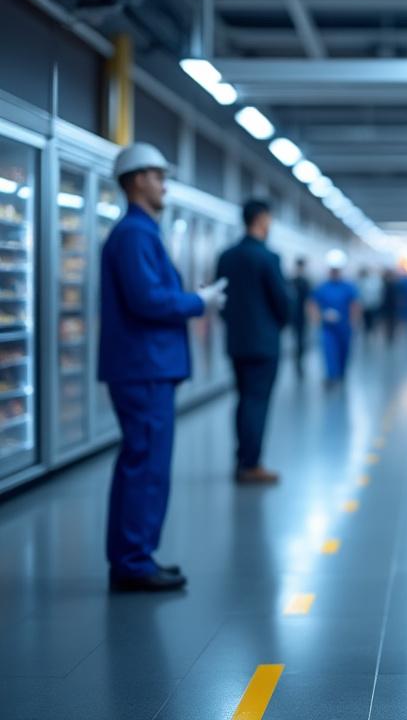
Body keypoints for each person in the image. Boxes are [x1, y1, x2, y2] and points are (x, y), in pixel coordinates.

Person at [99, 142, 227, 593]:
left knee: (142, 462)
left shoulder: (141, 232)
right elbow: (146, 299)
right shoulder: (135, 234)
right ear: (136, 180)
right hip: (144, 367)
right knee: (146, 465)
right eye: (156, 175)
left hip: (146, 366)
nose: (163, 183)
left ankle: (134, 556)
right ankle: (133, 562)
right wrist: (199, 301)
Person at [215, 199, 291, 485]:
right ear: (261, 219)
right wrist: (279, 325)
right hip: (264, 343)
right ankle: (252, 464)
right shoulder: (268, 257)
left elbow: (219, 298)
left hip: (236, 341)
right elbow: (282, 301)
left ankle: (241, 458)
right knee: (257, 402)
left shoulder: (226, 256)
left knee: (243, 399)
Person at [313, 254, 360, 386]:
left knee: (343, 351)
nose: (334, 273)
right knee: (329, 351)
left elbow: (355, 305)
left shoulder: (348, 286)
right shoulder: (323, 287)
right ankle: (331, 376)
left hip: (344, 326)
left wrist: (354, 321)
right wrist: (318, 318)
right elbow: (313, 303)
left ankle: (341, 373)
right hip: (327, 327)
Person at [290, 258, 312, 379]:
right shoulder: (292, 281)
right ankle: (297, 361)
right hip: (294, 315)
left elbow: (309, 300)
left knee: (300, 340)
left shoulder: (305, 282)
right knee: (297, 339)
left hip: (302, 316)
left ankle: (299, 361)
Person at [356, 267, 383, 336]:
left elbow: (377, 293)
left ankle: (371, 332)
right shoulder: (361, 282)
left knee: (372, 321)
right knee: (366, 321)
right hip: (365, 306)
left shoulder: (373, 281)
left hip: (372, 305)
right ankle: (367, 332)